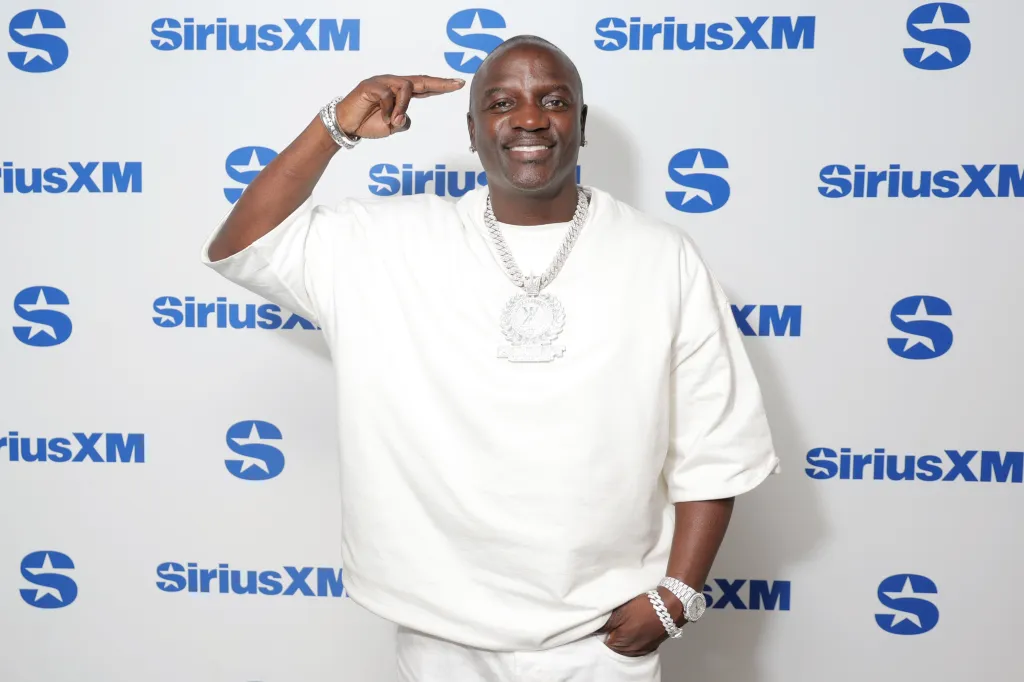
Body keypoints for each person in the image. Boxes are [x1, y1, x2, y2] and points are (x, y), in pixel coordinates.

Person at [201, 35, 779, 682]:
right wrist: (335, 126)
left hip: (599, 639)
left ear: (581, 123)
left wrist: (678, 596)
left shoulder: (660, 255)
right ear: (472, 130)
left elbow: (714, 443)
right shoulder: (387, 243)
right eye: (502, 104)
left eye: (553, 101)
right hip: (439, 637)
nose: (530, 118)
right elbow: (242, 244)